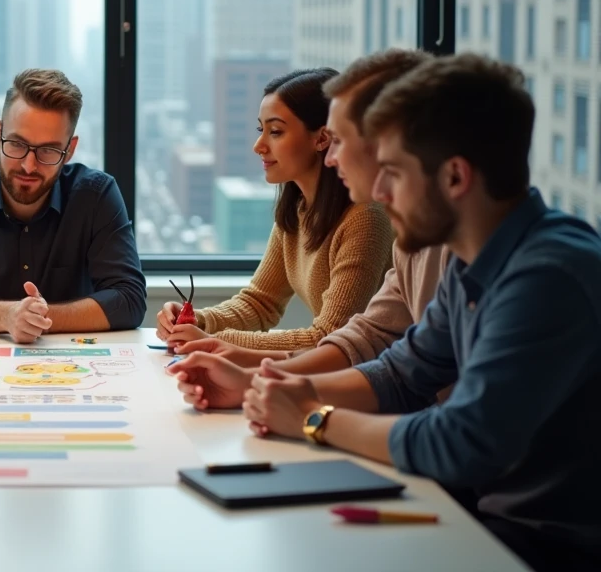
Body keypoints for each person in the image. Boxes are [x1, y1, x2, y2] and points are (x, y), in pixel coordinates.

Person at [238, 55, 601, 571]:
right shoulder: (472, 261)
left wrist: (314, 418)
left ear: (454, 177)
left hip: (543, 546)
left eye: (393, 173)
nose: (379, 193)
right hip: (485, 518)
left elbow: (460, 440)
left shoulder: (548, 275)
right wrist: (283, 390)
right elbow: (402, 373)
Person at [172, 50, 447, 405]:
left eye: (275, 132)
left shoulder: (371, 218)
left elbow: (336, 338)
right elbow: (359, 341)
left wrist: (228, 349)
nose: (259, 146)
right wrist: (211, 333)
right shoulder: (306, 211)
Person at [158, 68, 393, 352]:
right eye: (262, 130)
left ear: (322, 139)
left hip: (382, 374)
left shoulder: (365, 219)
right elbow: (260, 303)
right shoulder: (298, 209)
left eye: (276, 132)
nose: (258, 146)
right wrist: (197, 321)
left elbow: (329, 337)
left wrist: (212, 341)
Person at [0, 69, 145, 342]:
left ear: (69, 150)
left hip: (69, 364)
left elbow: (129, 299)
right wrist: (6, 317)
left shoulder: (96, 196)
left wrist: (37, 319)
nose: (29, 166)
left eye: (48, 150)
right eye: (17, 144)